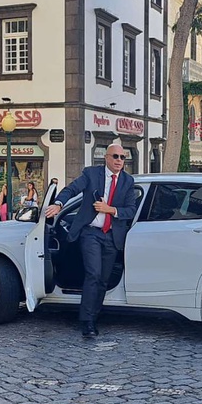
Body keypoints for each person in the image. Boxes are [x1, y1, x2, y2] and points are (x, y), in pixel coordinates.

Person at [44, 144, 138, 338]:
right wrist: (58, 203)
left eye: (122, 157)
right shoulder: (91, 174)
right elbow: (72, 190)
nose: (119, 160)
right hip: (91, 233)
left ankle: (93, 316)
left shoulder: (128, 181)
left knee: (103, 280)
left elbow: (131, 210)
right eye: (115, 156)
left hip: (112, 236)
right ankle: (87, 322)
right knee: (93, 275)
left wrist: (109, 209)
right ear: (106, 158)